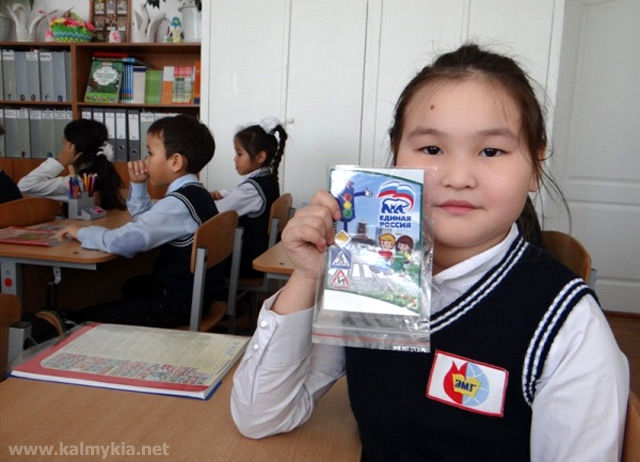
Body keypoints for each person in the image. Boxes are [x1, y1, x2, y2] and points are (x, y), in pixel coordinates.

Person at [230, 44, 629, 461]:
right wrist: (308, 276)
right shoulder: (371, 273)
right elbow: (261, 416)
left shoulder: (568, 326)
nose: (458, 178)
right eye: (432, 150)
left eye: (491, 151)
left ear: (535, 165)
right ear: (396, 154)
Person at [52, 114, 222, 328]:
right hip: (195, 296)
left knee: (81, 319)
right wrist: (139, 185)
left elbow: (124, 243)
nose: (146, 160)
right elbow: (148, 223)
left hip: (174, 305)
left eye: (150, 153)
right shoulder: (197, 194)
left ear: (175, 161)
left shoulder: (177, 205)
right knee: (131, 286)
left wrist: (81, 231)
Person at [211, 118, 288, 277]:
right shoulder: (268, 179)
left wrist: (204, 199)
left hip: (246, 262)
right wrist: (224, 195)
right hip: (259, 254)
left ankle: (218, 300)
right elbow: (239, 198)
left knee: (204, 255)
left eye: (239, 153)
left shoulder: (252, 189)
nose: (235, 159)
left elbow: (214, 212)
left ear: (260, 157)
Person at [17, 119, 125, 210]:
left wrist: (60, 163)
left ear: (71, 148)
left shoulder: (76, 183)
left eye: (64, 143)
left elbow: (24, 186)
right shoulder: (104, 170)